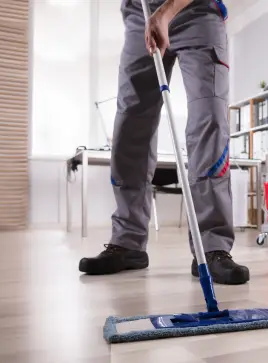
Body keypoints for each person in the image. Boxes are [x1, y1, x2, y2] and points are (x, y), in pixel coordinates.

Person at [79, 0, 249, 285]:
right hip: (141, 12)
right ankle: (128, 241)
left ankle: (212, 246)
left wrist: (167, 12)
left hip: (199, 10)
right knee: (130, 124)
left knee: (209, 120)